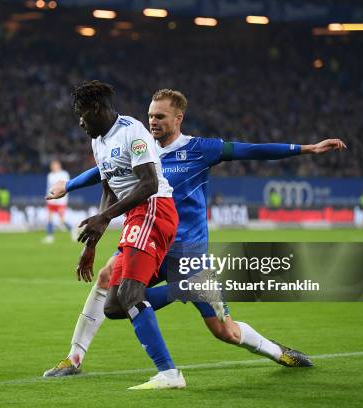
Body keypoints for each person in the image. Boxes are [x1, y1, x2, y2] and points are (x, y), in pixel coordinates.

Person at [45, 88, 347, 378]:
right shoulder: (139, 146)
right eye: (151, 115)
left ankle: (279, 352)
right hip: (146, 239)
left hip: (184, 250)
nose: (153, 122)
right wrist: (68, 185)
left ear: (178, 119)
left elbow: (250, 150)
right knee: (108, 279)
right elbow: (103, 172)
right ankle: (75, 356)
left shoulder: (200, 149)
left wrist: (306, 148)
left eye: (161, 117)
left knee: (224, 331)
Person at [70, 80, 185, 390]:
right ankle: (189, 288)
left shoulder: (132, 131)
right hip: (136, 215)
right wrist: (92, 244)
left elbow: (148, 184)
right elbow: (108, 190)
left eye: (81, 114)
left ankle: (170, 374)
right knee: (114, 307)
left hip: (153, 208)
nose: (79, 122)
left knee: (131, 295)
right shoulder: (98, 141)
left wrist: (105, 217)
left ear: (95, 109)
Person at [43, 160, 73, 243]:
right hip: (51, 201)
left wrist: (63, 197)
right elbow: (49, 187)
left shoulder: (64, 174)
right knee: (49, 218)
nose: (53, 167)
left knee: (61, 221)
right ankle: (50, 237)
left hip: (61, 201)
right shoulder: (50, 175)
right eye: (52, 165)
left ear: (59, 166)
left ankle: (72, 230)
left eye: (55, 165)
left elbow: (66, 187)